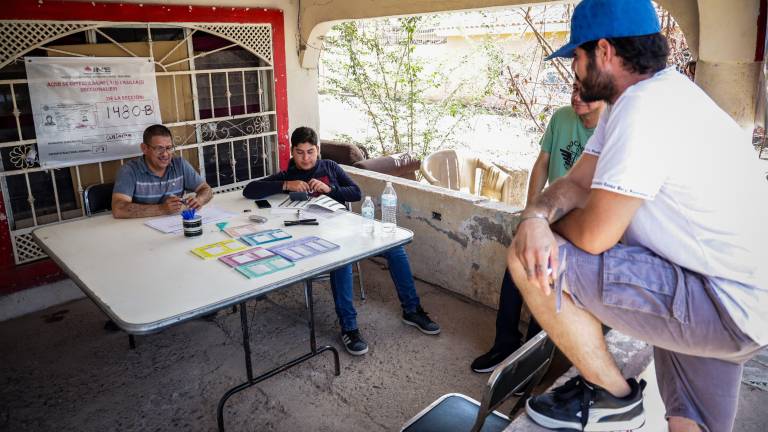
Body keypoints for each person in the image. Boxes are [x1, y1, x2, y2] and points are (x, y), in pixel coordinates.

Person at [509, 1, 767, 431]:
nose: (574, 69)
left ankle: (613, 396)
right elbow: (576, 183)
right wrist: (535, 216)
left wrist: (539, 230)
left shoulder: (644, 108)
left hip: (718, 302)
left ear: (604, 51)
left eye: (577, 56)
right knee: (691, 421)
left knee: (527, 257)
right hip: (734, 296)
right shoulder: (657, 96)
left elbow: (595, 236)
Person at [243, 126, 440, 356]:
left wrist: (330, 189)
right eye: (300, 152)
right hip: (314, 238)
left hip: (348, 229)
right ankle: (349, 328)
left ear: (317, 150)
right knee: (342, 260)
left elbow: (355, 193)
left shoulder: (330, 167)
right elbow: (250, 190)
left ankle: (412, 310)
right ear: (293, 153)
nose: (305, 158)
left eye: (310, 152)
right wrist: (286, 185)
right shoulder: (288, 175)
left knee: (396, 248)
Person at [470, 82, 604, 373]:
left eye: (585, 91)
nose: (576, 96)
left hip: (581, 226)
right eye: (574, 88)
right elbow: (542, 164)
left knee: (548, 282)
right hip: (547, 216)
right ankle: (504, 344)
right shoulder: (561, 117)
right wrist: (530, 214)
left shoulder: (610, 131)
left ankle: (529, 362)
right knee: (516, 267)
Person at [112, 124, 213, 218]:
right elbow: (118, 208)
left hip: (174, 225)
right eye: (159, 148)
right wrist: (161, 209)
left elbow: (206, 189)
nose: (165, 154)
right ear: (144, 148)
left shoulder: (180, 165)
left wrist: (199, 200)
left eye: (168, 148)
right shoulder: (129, 170)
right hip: (138, 227)